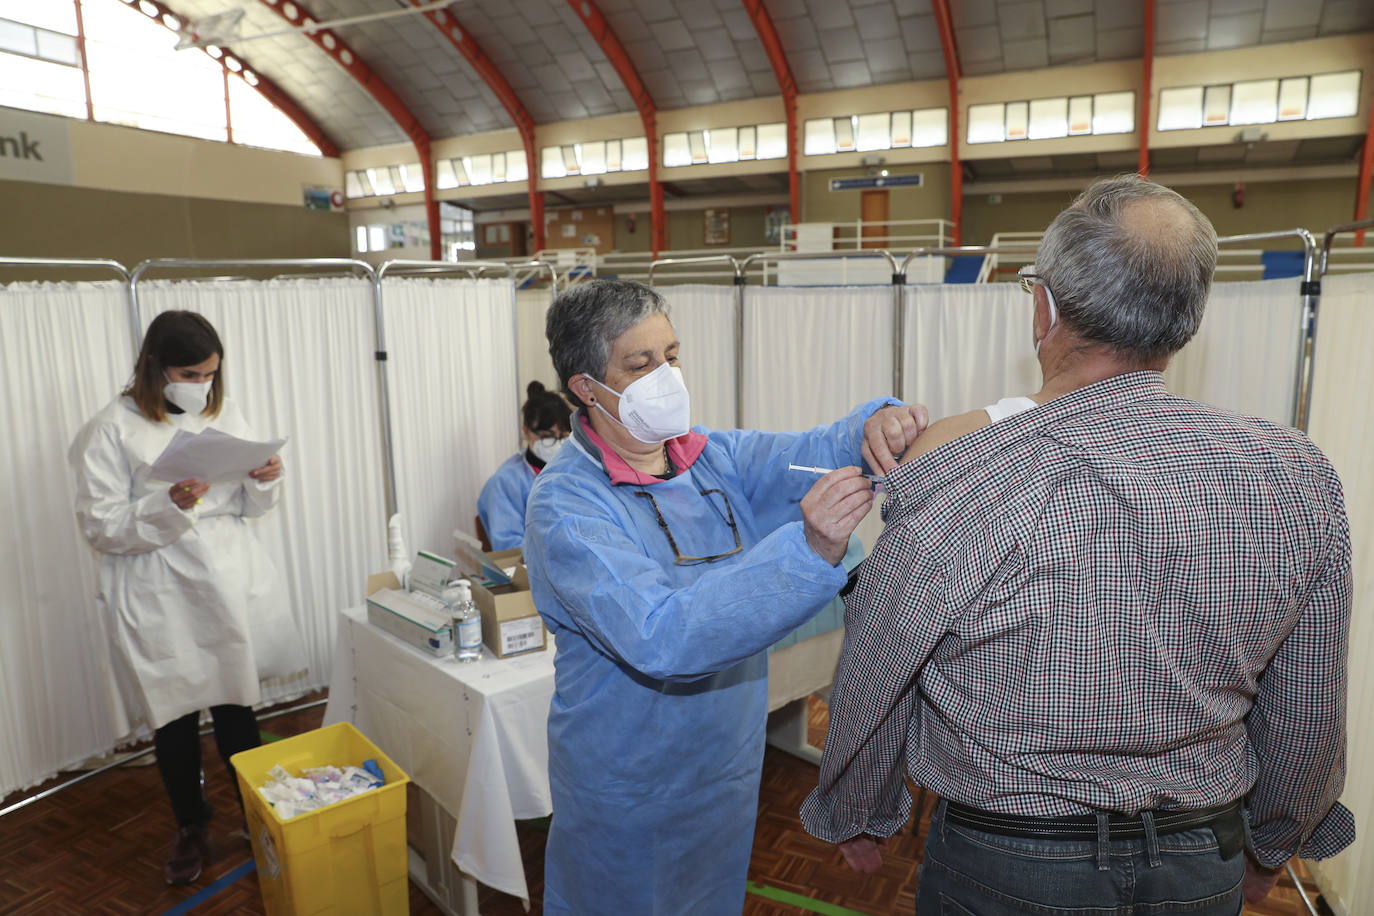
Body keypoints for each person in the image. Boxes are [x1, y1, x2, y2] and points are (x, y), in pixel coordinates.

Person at [802, 174, 1353, 914]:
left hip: (1006, 861)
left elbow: (880, 664)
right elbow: (1308, 701)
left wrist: (856, 809)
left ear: (1044, 307)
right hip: (1201, 857)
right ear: (1188, 316)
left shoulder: (962, 471)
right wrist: (1276, 841)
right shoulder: (1296, 475)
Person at [522, 279, 927, 915]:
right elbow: (664, 636)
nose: (667, 376)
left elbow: (810, 455)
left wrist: (875, 425)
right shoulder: (569, 505)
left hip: (723, 774)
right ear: (584, 386)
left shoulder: (713, 461)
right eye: (641, 364)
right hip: (628, 789)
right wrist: (807, 553)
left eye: (671, 355)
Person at [69, 310, 306, 886]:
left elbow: (251, 508)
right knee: (174, 716)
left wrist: (263, 479)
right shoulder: (109, 429)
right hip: (158, 587)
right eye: (189, 373)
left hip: (224, 578)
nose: (200, 386)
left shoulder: (222, 412)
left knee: (235, 706)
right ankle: (191, 824)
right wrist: (167, 503)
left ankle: (256, 812)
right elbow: (100, 527)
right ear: (155, 366)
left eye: (209, 374)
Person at [476, 380, 572, 550]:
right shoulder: (505, 483)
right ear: (527, 432)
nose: (557, 444)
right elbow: (509, 547)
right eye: (546, 436)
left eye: (563, 436)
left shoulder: (575, 471)